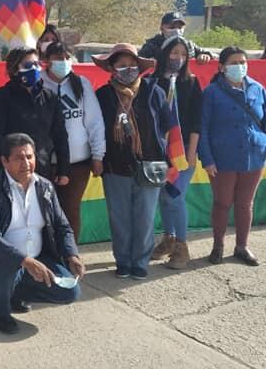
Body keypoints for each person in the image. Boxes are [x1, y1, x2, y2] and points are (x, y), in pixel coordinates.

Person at [0, 133, 85, 335]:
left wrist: (71, 255)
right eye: (19, 158)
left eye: (30, 157)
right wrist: (24, 260)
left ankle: (15, 294)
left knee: (70, 292)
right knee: (6, 267)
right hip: (0, 260)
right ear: (5, 162)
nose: (26, 163)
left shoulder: (45, 187)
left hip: (38, 257)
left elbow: (62, 226)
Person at [94, 43, 174, 280]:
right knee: (119, 218)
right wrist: (97, 159)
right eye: (121, 64)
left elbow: (167, 127)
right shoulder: (103, 95)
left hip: (150, 166)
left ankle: (140, 261)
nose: (128, 69)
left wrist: (163, 157)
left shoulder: (153, 91)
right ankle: (123, 261)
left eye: (131, 64)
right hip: (115, 166)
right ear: (112, 68)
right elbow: (96, 130)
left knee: (145, 217)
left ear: (139, 67)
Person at [199, 46, 266, 266]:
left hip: (254, 154)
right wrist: (207, 159)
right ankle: (218, 247)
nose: (239, 66)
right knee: (222, 203)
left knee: (245, 204)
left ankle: (242, 247)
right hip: (222, 158)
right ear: (222, 67)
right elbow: (203, 128)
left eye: (242, 62)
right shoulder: (212, 92)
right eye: (234, 63)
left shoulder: (257, 88)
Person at [42, 41, 105, 242]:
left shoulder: (82, 84)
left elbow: (94, 122)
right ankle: (49, 259)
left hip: (78, 163)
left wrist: (98, 155)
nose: (63, 62)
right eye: (58, 58)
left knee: (70, 210)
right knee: (46, 212)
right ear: (46, 61)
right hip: (46, 162)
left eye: (67, 58)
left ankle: (70, 257)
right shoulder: (39, 83)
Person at [150, 37, 202, 269]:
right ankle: (168, 239)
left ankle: (182, 246)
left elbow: (196, 121)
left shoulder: (191, 83)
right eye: (174, 53)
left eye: (183, 54)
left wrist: (191, 151)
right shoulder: (151, 81)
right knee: (163, 197)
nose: (178, 58)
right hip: (159, 152)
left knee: (174, 196)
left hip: (183, 153)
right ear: (164, 54)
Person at [0, 47, 71, 188]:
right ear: (14, 70)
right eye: (28, 65)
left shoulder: (49, 97)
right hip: (12, 174)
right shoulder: (3, 96)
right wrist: (3, 169)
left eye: (37, 64)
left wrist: (63, 170)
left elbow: (60, 134)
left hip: (43, 171)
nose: (34, 68)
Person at [139, 11, 212, 64]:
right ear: (162, 28)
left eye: (180, 27)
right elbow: (139, 62)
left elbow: (208, 55)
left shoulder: (189, 45)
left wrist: (205, 56)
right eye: (172, 27)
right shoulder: (152, 46)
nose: (177, 30)